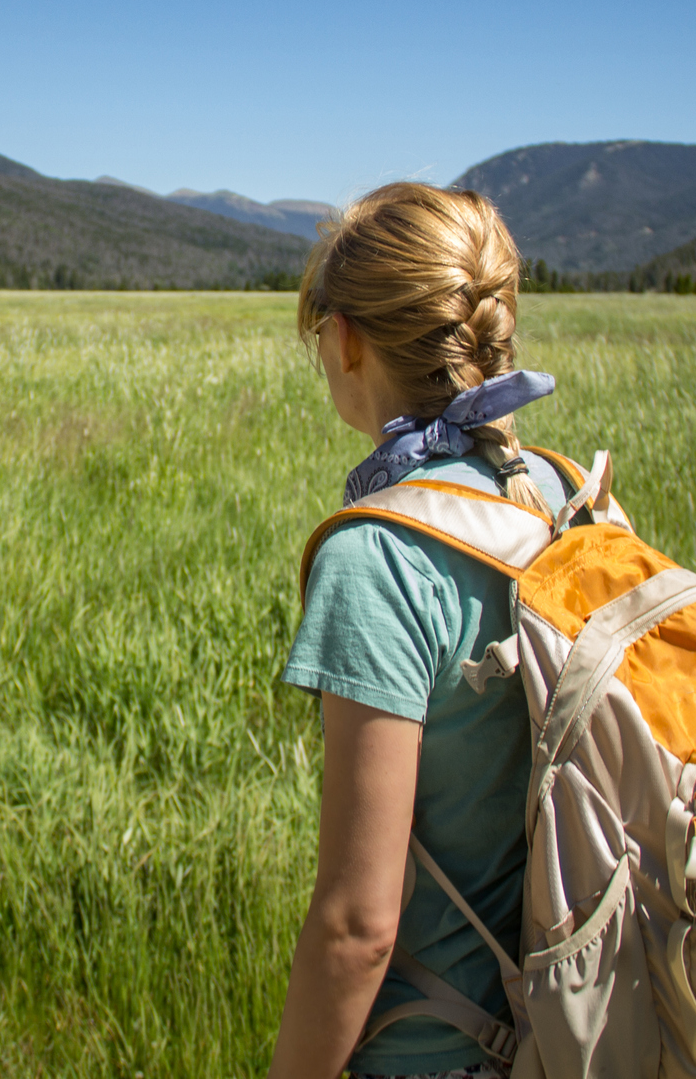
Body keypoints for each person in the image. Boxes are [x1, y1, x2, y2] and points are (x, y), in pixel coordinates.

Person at [268, 182, 566, 1079]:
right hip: (585, 1031)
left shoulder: (378, 557)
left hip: (439, 1053)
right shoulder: (562, 497)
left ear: (347, 336)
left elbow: (358, 928)